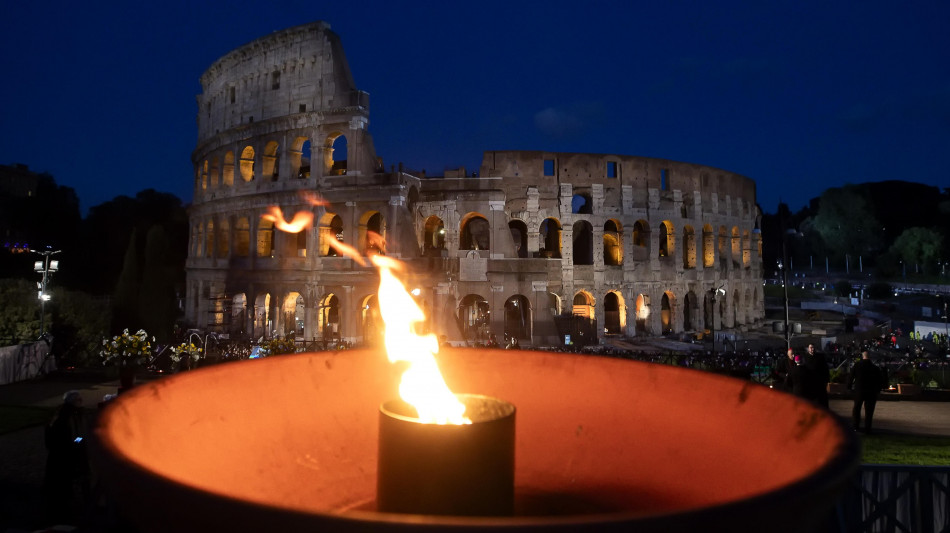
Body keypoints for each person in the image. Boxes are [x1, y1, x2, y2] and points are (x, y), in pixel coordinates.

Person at [43, 390, 90, 523]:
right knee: (65, 483)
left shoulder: (59, 414)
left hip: (58, 454)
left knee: (58, 483)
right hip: (66, 455)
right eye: (79, 400)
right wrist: (81, 440)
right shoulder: (69, 416)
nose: (81, 403)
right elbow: (75, 437)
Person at [849, 350, 884, 433]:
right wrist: (878, 390)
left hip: (859, 390)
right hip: (871, 391)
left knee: (857, 408)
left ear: (862, 356)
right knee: (869, 411)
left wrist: (849, 387)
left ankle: (856, 426)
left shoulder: (857, 365)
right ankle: (868, 428)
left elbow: (851, 377)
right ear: (870, 357)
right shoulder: (875, 368)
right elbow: (879, 380)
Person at [804, 343, 830, 408]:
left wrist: (826, 380)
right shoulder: (805, 357)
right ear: (808, 349)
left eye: (813, 347)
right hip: (810, 381)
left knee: (822, 400)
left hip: (820, 381)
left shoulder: (820, 357)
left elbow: (825, 369)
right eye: (811, 347)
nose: (812, 349)